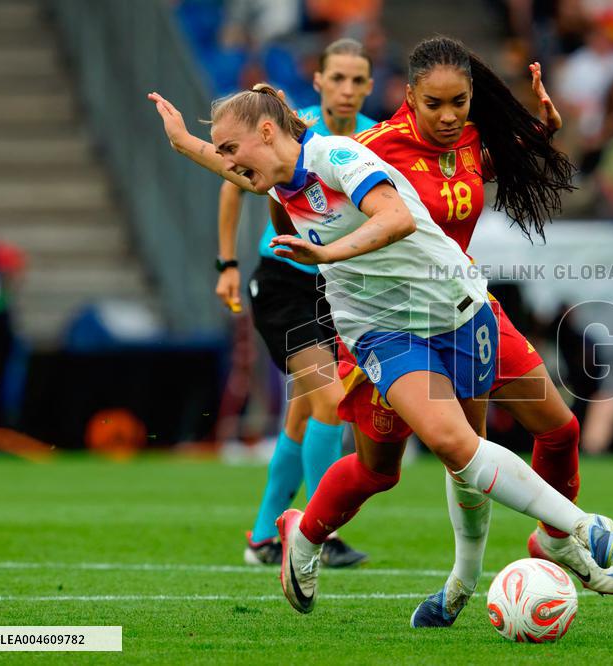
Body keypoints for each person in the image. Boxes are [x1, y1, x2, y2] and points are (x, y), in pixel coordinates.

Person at [147, 82, 613, 617]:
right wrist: (182, 141)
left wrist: (324, 252)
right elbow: (228, 164)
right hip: (382, 329)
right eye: (225, 153)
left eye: (232, 149)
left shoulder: (337, 156)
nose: (230, 163)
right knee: (451, 442)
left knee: (396, 466)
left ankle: (342, 547)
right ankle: (582, 526)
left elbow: (395, 218)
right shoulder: (277, 178)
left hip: (457, 308)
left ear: (266, 132)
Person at [337, 37, 613, 628]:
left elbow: (485, 167)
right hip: (410, 324)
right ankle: (457, 582)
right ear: (409, 97)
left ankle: (552, 539)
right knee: (445, 461)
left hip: (472, 309)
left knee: (561, 427)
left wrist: (541, 130)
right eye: (435, 104)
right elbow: (305, 195)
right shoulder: (370, 152)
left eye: (460, 102)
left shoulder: (467, 141)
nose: (449, 117)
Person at [215, 38, 374, 569]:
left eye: (357, 80)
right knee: (330, 402)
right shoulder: (291, 126)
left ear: (369, 86)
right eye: (338, 78)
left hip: (334, 283)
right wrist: (227, 263)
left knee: (305, 413)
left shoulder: (375, 135)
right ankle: (316, 533)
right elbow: (233, 182)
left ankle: (264, 536)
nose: (347, 89)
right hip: (283, 279)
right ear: (319, 81)